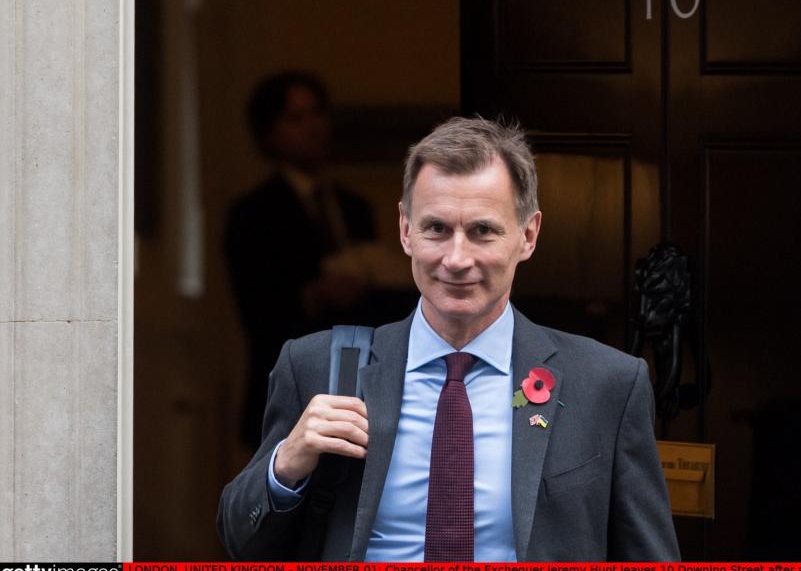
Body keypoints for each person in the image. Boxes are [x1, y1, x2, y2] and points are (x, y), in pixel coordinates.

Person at [217, 117, 680, 561]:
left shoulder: (607, 384)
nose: (457, 259)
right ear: (405, 230)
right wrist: (287, 464)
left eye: (482, 231)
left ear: (528, 235)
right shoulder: (317, 367)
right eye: (437, 228)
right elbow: (241, 541)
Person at [225, 71, 376, 449]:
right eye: (296, 118)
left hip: (357, 388)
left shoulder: (356, 208)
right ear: (268, 133)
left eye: (317, 114)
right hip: (282, 390)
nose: (313, 128)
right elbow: (255, 307)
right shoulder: (252, 213)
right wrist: (315, 295)